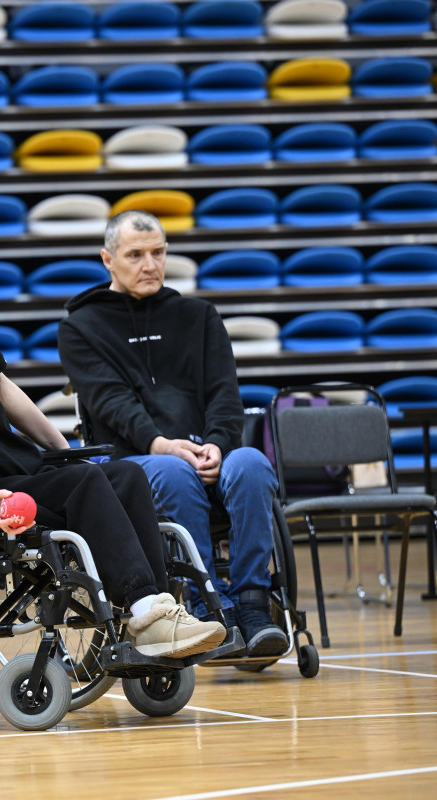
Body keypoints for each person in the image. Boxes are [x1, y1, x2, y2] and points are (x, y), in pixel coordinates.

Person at [0, 221, 225, 659]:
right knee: (86, 485)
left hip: (15, 469)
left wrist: (66, 453)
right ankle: (145, 611)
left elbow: (8, 395)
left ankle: (154, 613)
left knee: (125, 475)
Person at [56, 209, 287, 658]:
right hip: (140, 458)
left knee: (253, 464)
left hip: (209, 451)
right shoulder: (80, 327)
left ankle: (255, 607)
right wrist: (161, 444)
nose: (150, 265)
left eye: (158, 253)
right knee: (171, 473)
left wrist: (218, 442)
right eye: (136, 255)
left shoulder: (198, 316)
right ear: (108, 259)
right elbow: (111, 403)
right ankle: (209, 606)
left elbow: (225, 393)